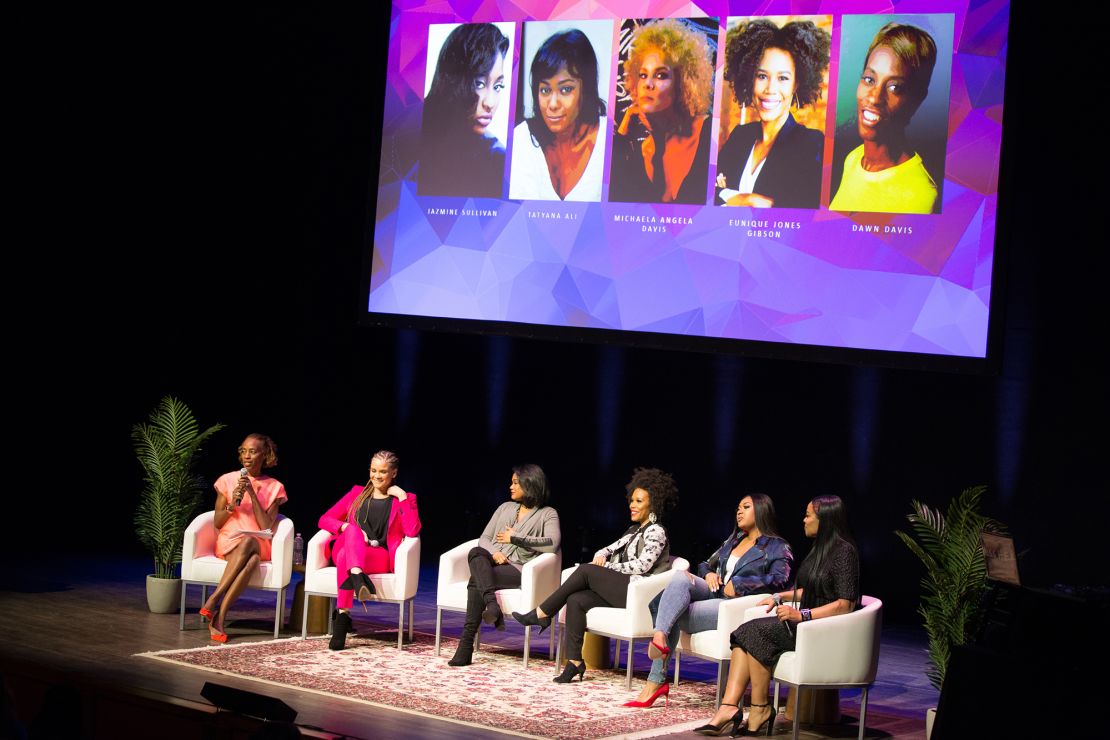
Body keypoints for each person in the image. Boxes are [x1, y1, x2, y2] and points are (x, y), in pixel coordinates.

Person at [693, 495, 860, 737]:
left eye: (808, 515)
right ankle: (730, 707)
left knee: (755, 632)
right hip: (806, 625)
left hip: (823, 630)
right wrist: (779, 597)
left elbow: (846, 604)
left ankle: (760, 708)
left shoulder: (845, 552)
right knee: (743, 632)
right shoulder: (820, 550)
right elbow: (811, 590)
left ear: (824, 519)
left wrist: (802, 615)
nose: (803, 520)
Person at [625, 494, 793, 708]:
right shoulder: (735, 540)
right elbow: (705, 563)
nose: (739, 511)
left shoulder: (777, 546)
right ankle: (660, 636)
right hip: (717, 592)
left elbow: (781, 580)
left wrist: (742, 584)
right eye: (738, 507)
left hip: (736, 605)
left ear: (762, 510)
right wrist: (708, 575)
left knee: (666, 607)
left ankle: (655, 679)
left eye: (746, 507)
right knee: (679, 578)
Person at [513, 467, 679, 683]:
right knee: (577, 600)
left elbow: (642, 566)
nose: (632, 505)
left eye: (639, 501)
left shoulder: (656, 531)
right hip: (626, 589)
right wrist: (602, 556)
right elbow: (606, 550)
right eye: (632, 500)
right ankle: (574, 662)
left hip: (641, 594)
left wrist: (605, 568)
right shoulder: (633, 531)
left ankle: (543, 613)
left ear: (653, 504)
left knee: (585, 571)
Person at [447, 464, 561, 667]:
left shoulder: (547, 513)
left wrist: (516, 538)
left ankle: (466, 645)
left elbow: (552, 543)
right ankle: (491, 604)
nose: (511, 487)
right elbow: (484, 538)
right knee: (475, 552)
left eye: (516, 483)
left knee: (476, 579)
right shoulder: (505, 508)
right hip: (493, 562)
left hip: (519, 570)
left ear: (530, 484)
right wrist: (495, 553)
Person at [715, 20, 830, 209]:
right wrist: (747, 200)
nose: (770, 89)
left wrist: (726, 196)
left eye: (783, 78)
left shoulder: (812, 146)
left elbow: (803, 213)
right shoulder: (740, 136)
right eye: (762, 76)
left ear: (797, 85)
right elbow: (708, 195)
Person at [316, 450, 421, 650]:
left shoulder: (405, 498)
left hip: (376, 555)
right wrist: (346, 527)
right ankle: (357, 578)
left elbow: (412, 530)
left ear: (394, 473)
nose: (376, 476)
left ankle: (343, 616)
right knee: (351, 532)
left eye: (382, 471)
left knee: (343, 556)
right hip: (349, 542)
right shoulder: (357, 493)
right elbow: (324, 519)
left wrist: (401, 496)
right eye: (373, 470)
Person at [829, 23, 939, 214]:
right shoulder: (853, 159)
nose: (873, 97)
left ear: (916, 99)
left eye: (895, 87)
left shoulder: (922, 197)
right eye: (869, 79)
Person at [608, 19, 714, 205]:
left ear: (682, 83)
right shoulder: (639, 155)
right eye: (643, 75)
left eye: (660, 75)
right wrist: (623, 132)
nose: (648, 84)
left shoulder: (710, 133)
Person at [200, 434, 287, 643]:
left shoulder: (275, 487)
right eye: (244, 451)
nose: (247, 456)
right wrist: (231, 507)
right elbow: (219, 522)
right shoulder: (227, 480)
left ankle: (213, 599)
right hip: (230, 540)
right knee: (252, 560)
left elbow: (266, 525)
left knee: (250, 543)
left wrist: (251, 492)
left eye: (253, 451)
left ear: (265, 455)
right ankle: (219, 618)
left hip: (259, 542)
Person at [509, 29, 608, 202]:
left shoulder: (608, 139)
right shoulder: (521, 139)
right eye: (545, 90)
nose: (553, 104)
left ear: (586, 89)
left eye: (566, 89)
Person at [418, 23, 510, 198]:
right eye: (479, 83)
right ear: (452, 80)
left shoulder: (497, 160)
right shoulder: (408, 137)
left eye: (498, 86)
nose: (490, 103)